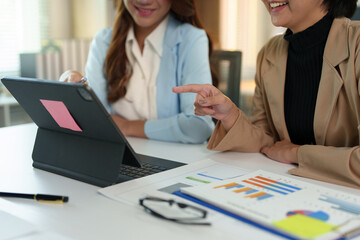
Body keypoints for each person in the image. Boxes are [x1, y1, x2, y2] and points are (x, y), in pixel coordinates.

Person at [173, 0, 360, 188]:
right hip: (291, 189)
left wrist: (296, 153)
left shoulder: (356, 44)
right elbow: (266, 142)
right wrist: (229, 115)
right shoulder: (269, 53)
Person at [59, 0, 217, 144]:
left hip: (177, 161)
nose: (144, 1)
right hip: (119, 155)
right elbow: (95, 119)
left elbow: (199, 126)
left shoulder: (191, 39)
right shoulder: (103, 41)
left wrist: (127, 126)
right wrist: (73, 88)